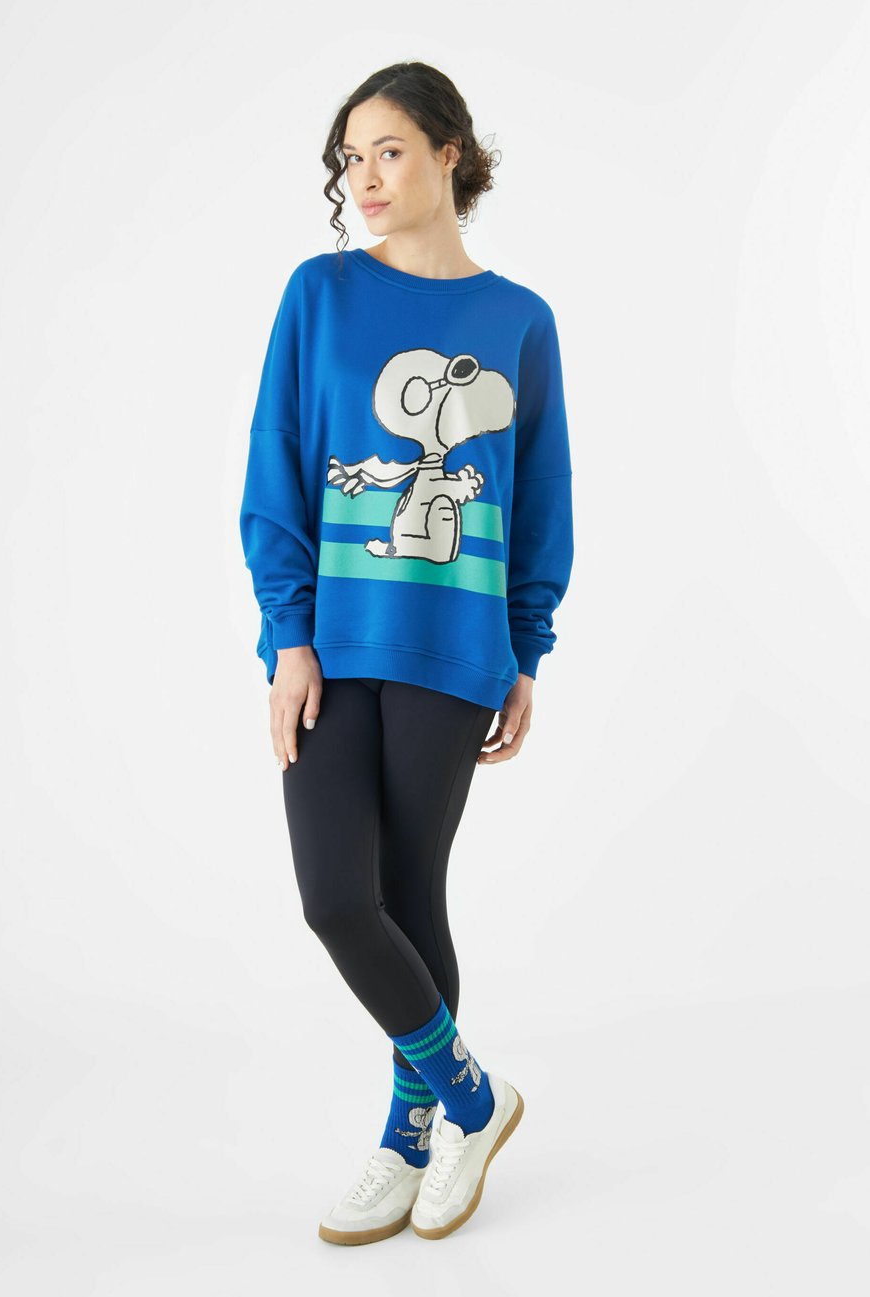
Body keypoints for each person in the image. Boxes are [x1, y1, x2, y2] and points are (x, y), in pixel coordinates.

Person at [239, 60, 574, 1245]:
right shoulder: (320, 293)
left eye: (388, 150)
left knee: (408, 892)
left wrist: (526, 646)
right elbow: (276, 465)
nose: (365, 178)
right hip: (332, 645)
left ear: (448, 152)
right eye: (351, 159)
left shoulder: (519, 321)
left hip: (453, 647)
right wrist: (288, 637)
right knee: (338, 897)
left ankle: (405, 1133)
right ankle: (472, 1099)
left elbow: (541, 503)